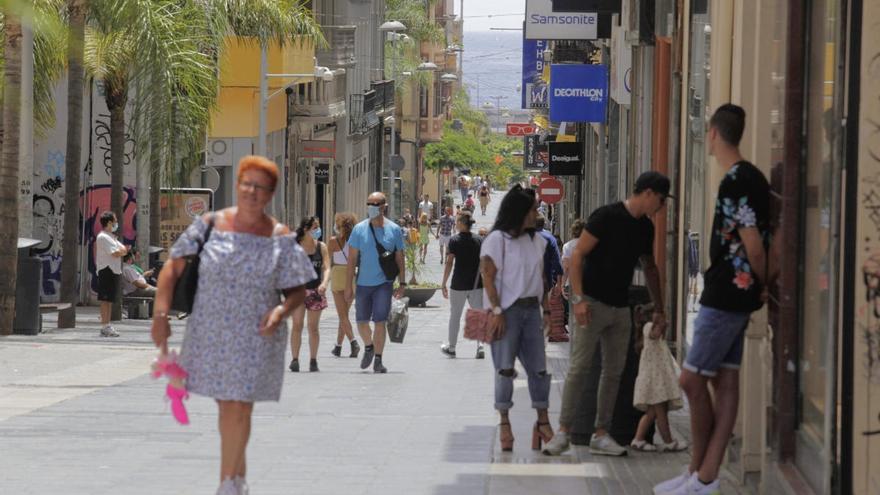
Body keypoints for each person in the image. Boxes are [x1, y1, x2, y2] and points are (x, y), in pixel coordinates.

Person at [150, 155, 314, 495]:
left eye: (262, 187)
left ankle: (226, 483)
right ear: (237, 184)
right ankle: (237, 480)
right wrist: (160, 315)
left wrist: (281, 312)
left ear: (271, 193)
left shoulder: (280, 237)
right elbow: (172, 268)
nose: (253, 192)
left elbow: (298, 290)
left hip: (258, 333)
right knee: (230, 405)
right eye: (247, 184)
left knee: (239, 403)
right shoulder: (209, 224)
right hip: (212, 332)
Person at [654, 104, 771, 495]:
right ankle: (704, 476)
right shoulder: (748, 177)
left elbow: (753, 243)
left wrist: (760, 279)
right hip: (737, 291)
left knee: (690, 378)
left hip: (727, 291)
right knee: (726, 380)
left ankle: (702, 473)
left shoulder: (738, 180)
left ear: (714, 133)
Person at [543, 171, 671, 457]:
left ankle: (602, 433)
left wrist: (660, 308)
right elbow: (577, 256)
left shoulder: (645, 228)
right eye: (661, 201)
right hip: (591, 301)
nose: (661, 208)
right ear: (648, 193)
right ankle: (563, 432)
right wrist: (577, 299)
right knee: (580, 367)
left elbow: (650, 267)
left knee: (614, 373)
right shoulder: (606, 216)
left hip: (620, 307)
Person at [480, 185, 554, 452]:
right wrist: (497, 311)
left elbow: (541, 278)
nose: (537, 213)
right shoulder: (497, 240)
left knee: (539, 369)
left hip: (531, 311)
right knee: (505, 370)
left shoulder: (537, 240)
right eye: (533, 209)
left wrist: (546, 310)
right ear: (519, 212)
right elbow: (488, 278)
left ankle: (543, 423)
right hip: (506, 313)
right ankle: (504, 423)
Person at [345, 192, 407, 374]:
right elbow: (351, 260)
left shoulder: (394, 230)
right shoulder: (359, 229)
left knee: (380, 322)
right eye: (369, 203)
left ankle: (378, 360)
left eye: (375, 203)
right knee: (361, 322)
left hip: (384, 284)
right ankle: (369, 347)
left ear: (383, 207)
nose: (371, 206)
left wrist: (402, 283)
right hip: (363, 284)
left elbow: (400, 258)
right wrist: (349, 286)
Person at [630, 321, 688, 453]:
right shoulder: (648, 326)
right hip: (655, 382)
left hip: (657, 381)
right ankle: (668, 442)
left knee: (651, 413)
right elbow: (654, 334)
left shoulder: (655, 332)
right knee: (661, 413)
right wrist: (660, 322)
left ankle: (638, 439)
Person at [440, 211, 485, 359]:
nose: (456, 223)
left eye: (457, 221)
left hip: (458, 283)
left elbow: (449, 262)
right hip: (476, 284)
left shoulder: (454, 240)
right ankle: (480, 346)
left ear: (462, 223)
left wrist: (443, 282)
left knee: (455, 316)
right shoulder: (479, 240)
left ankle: (452, 347)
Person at [289, 216, 331, 373]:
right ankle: (295, 359)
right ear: (305, 229)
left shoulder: (321, 247)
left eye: (318, 227)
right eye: (314, 227)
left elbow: (327, 268)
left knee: (313, 327)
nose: (317, 230)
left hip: (315, 290)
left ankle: (313, 360)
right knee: (297, 324)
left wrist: (324, 283)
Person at [329, 212, 361, 358]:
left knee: (342, 316)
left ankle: (354, 343)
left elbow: (328, 262)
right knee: (345, 315)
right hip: (351, 277)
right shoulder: (356, 242)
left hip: (337, 276)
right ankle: (338, 346)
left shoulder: (333, 241)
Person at [95, 211, 128, 337]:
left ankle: (107, 325)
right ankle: (104, 326)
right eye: (115, 220)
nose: (116, 223)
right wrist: (121, 252)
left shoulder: (112, 237)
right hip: (106, 270)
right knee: (105, 300)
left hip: (113, 270)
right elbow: (115, 253)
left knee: (109, 300)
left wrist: (121, 251)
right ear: (109, 222)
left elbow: (124, 250)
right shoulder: (103, 237)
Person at [535, 214, 563, 337]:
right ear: (544, 224)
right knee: (544, 310)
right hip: (546, 282)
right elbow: (557, 261)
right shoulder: (550, 238)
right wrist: (559, 281)